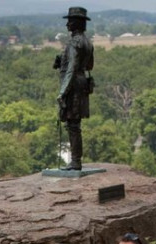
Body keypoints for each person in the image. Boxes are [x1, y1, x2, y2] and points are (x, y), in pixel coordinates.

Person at [55, 6, 94, 171]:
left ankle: (75, 161)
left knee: (72, 125)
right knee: (75, 124)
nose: (67, 25)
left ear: (76, 23)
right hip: (82, 82)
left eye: (69, 21)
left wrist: (62, 91)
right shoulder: (87, 42)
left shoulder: (73, 43)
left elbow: (71, 68)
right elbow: (89, 65)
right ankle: (76, 160)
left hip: (73, 86)